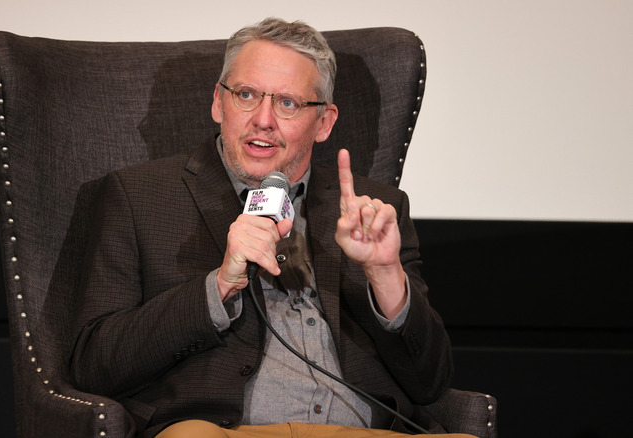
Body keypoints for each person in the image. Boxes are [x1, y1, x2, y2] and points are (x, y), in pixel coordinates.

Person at [70, 17, 467, 438]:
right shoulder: (139, 196)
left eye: (288, 103)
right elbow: (93, 366)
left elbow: (430, 382)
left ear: (325, 122)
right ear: (218, 103)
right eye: (246, 95)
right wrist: (219, 286)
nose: (263, 119)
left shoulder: (375, 211)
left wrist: (386, 276)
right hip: (219, 431)